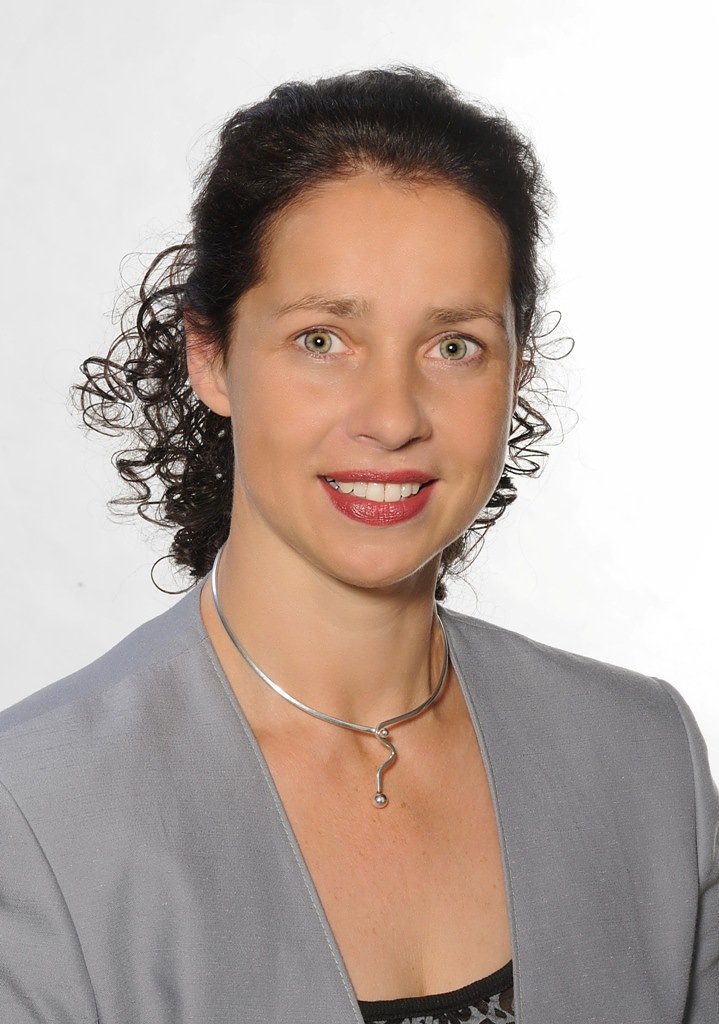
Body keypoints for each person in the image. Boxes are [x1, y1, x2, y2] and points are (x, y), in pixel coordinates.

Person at [0, 65, 716, 1024]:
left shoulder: (645, 759)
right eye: (322, 339)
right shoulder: (33, 814)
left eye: (453, 345)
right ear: (209, 355)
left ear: (516, 369)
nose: (391, 417)